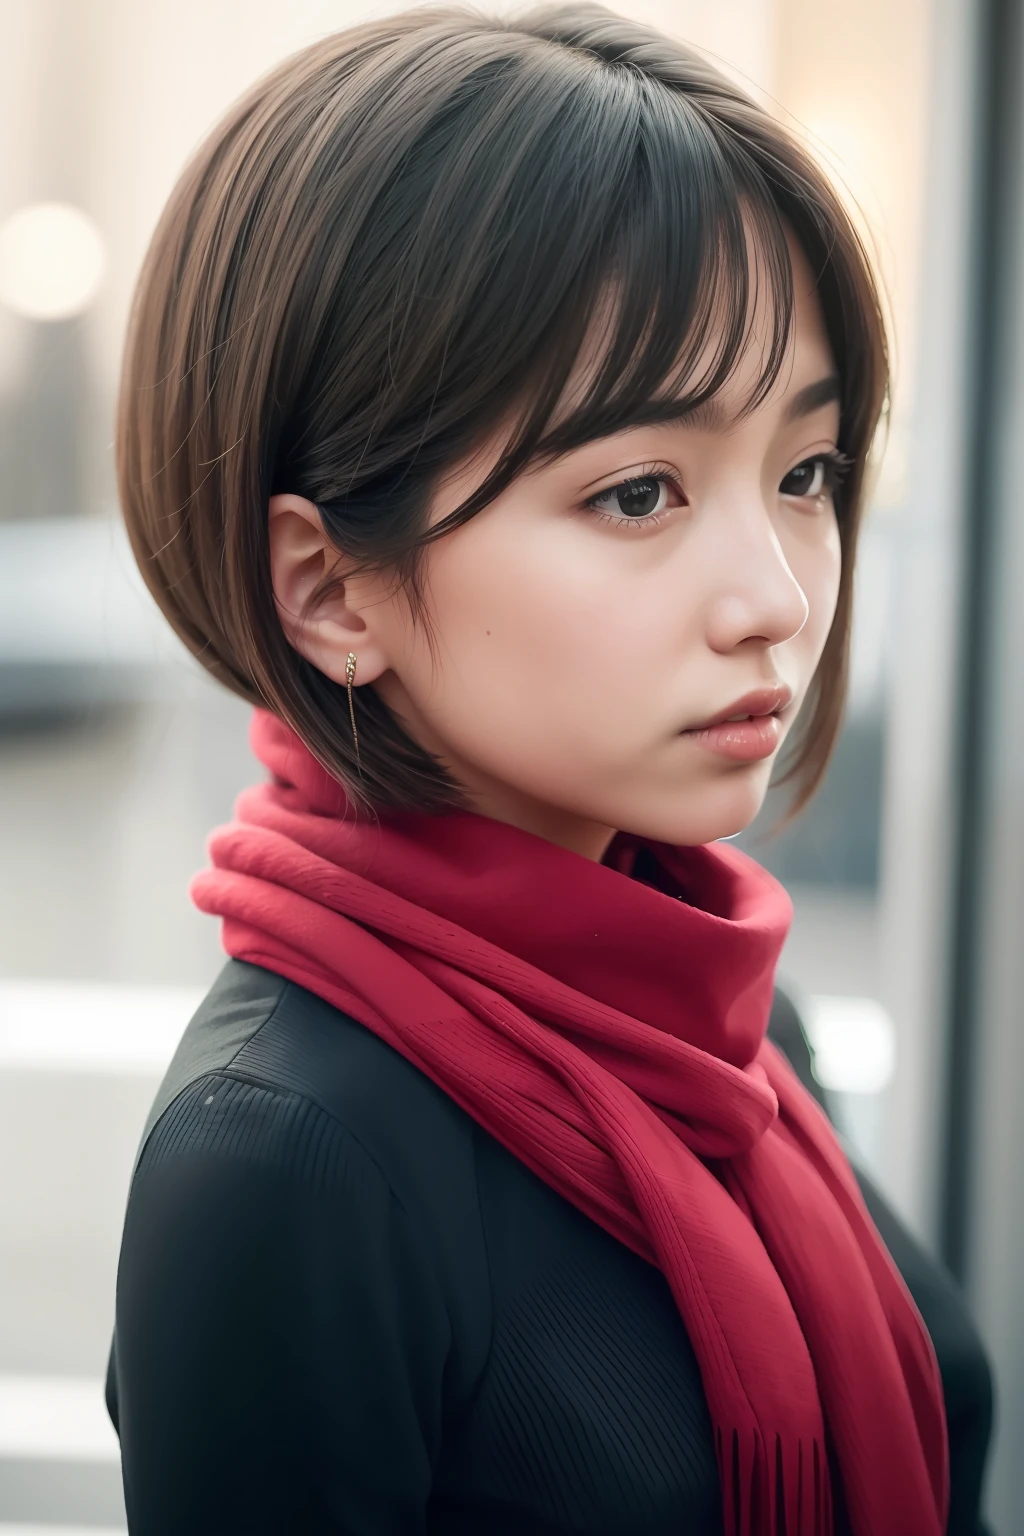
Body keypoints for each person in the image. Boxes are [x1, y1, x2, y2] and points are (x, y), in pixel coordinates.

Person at [105, 6, 993, 1533]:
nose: (776, 596)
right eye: (640, 491)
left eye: (805, 473)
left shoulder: (725, 1008)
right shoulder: (288, 1156)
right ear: (330, 590)